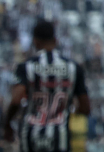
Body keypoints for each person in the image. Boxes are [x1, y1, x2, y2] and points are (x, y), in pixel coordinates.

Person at [3, 20, 90, 152]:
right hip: (59, 136)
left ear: (35, 41)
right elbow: (85, 108)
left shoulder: (26, 67)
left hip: (30, 135)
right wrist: (68, 109)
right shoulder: (73, 68)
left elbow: (16, 99)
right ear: (55, 40)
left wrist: (7, 123)